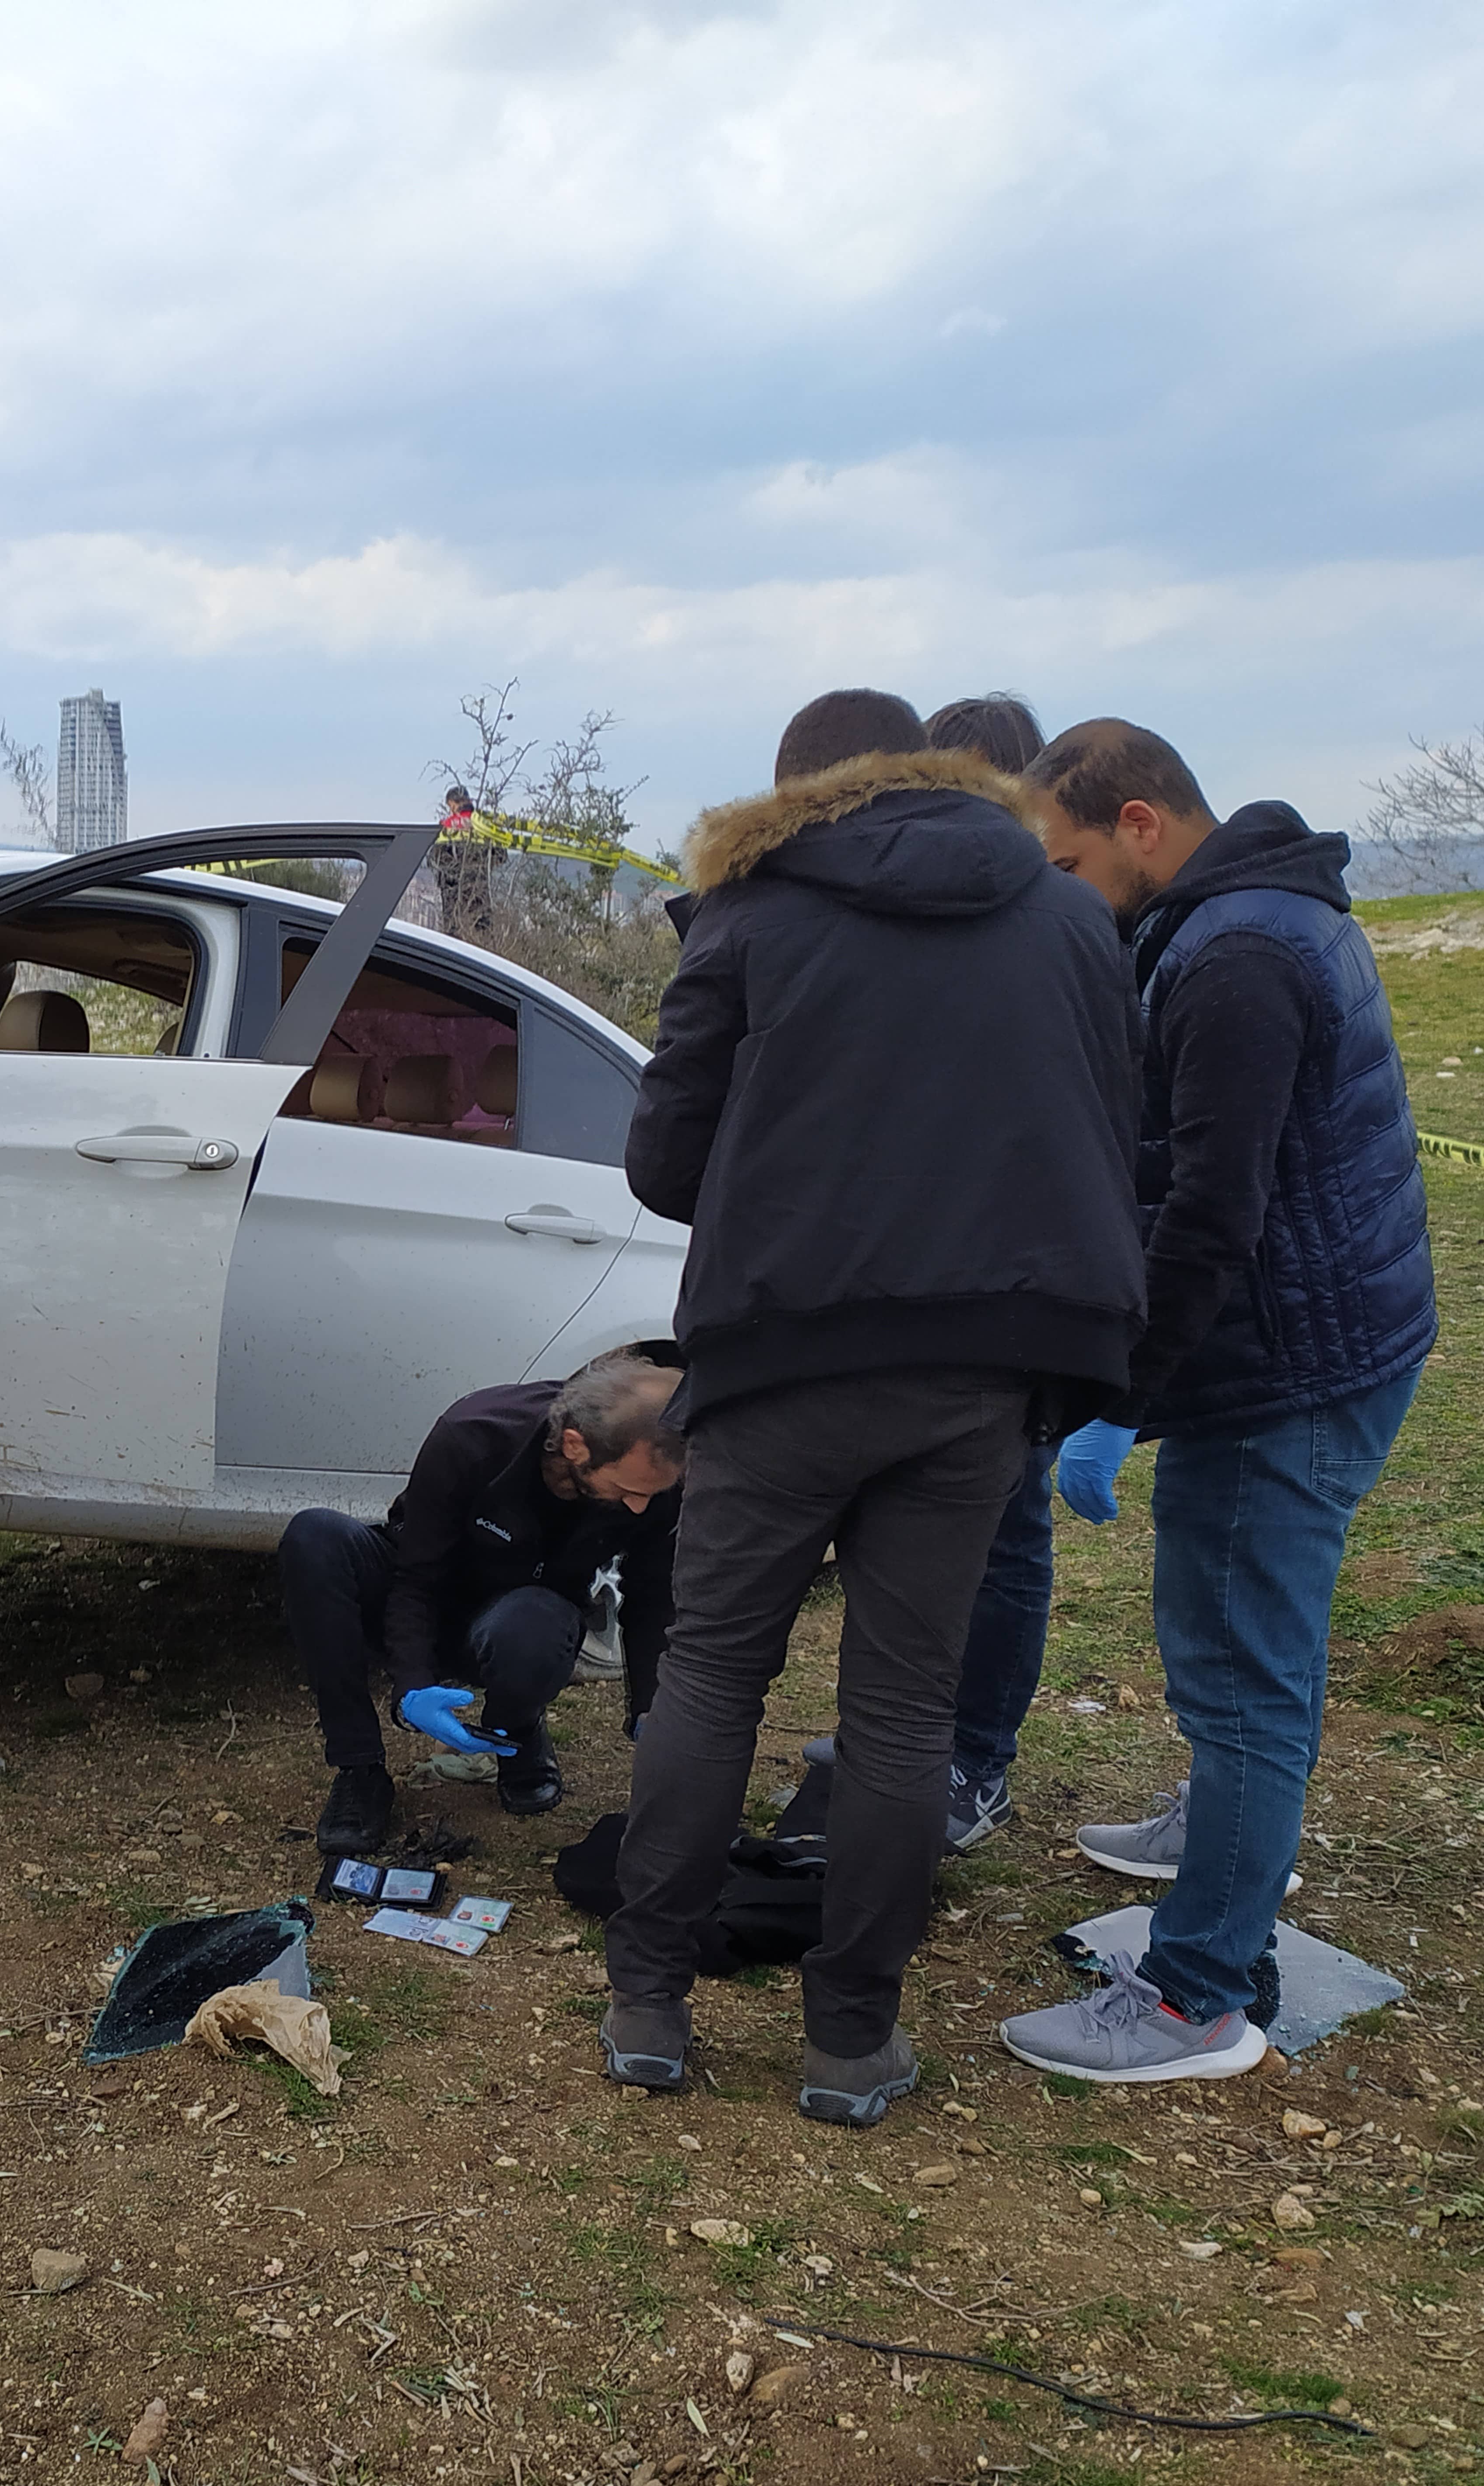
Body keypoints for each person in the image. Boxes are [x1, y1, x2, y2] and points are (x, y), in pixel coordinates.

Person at [603, 688, 1146, 2126]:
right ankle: (851, 2039)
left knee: (714, 1673)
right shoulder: (1065, 916)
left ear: (795, 788)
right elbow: (1115, 1130)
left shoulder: (745, 914)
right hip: (981, 1368)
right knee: (904, 1715)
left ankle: (649, 2001)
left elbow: (664, 1167)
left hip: (782, 1357)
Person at [999, 720, 1435, 2086]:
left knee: (1236, 1666)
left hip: (1280, 1370)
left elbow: (1208, 1210)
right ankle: (1227, 1843)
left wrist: (1115, 1398)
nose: (1062, 889)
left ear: (1136, 823)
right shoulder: (1245, 911)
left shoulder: (1235, 957)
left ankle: (1193, 1995)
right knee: (1263, 1650)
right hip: (1331, 1337)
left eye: (1066, 859)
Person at [778, 691, 1061, 1859]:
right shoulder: (942, 895)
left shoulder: (1051, 908)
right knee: (926, 1539)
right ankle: (909, 1752)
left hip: (1008, 1290)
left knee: (1000, 1535)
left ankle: (967, 1764)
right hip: (928, 1282)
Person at [280, 1346, 686, 1858]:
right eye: (627, 1491)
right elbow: (416, 1576)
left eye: (650, 1495)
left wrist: (652, 1709)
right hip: (427, 1595)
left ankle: (513, 1731)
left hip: (523, 1622)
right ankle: (358, 1769)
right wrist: (411, 1685)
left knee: (534, 1624)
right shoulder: (472, 1434)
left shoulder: (654, 1480)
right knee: (314, 1538)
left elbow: (652, 1599)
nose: (639, 1507)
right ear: (574, 1446)